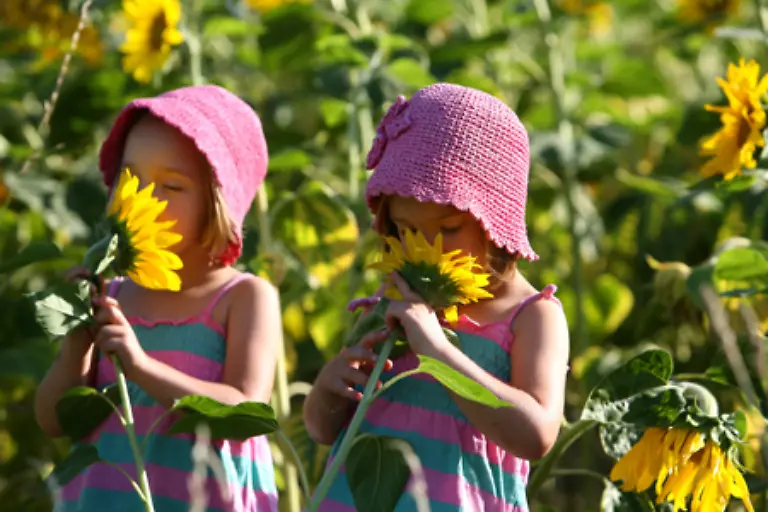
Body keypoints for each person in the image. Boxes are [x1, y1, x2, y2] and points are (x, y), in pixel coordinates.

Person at [303, 83, 570, 511]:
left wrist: (438, 352)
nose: (427, 248)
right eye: (408, 230)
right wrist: (329, 389)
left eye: (448, 229)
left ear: (495, 219)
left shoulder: (530, 316)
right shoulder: (391, 299)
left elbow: (536, 435)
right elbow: (323, 430)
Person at [35, 85, 281, 512]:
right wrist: (78, 342)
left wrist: (142, 368)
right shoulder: (112, 294)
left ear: (219, 201)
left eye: (172, 185)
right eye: (131, 179)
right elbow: (55, 420)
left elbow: (246, 411)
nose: (145, 199)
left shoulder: (241, 297)